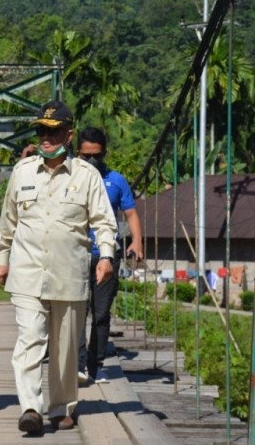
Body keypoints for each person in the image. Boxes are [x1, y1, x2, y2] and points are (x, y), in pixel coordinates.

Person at [0, 101, 118, 434]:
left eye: (54, 131)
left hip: (69, 274)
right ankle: (31, 408)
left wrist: (105, 256)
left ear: (69, 134)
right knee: (30, 340)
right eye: (41, 131)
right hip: (28, 272)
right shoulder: (22, 172)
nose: (46, 138)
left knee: (64, 349)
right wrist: (2, 259)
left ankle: (62, 405)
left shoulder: (87, 176)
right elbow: (8, 221)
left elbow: (105, 222)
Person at [75, 127, 144, 385]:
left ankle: (96, 365)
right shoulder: (69, 177)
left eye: (97, 156)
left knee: (101, 313)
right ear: (77, 154)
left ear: (104, 153)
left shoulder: (117, 180)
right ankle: (79, 364)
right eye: (86, 156)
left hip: (106, 255)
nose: (92, 162)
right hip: (77, 254)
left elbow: (131, 213)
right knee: (77, 312)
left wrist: (136, 240)